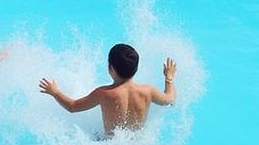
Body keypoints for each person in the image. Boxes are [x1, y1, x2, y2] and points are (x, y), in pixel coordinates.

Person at [39, 43, 175, 135]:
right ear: (136, 69)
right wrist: (168, 78)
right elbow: (170, 99)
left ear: (110, 68)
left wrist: (55, 92)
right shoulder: (148, 91)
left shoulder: (104, 93)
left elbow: (72, 107)